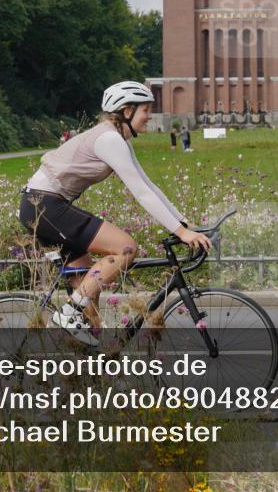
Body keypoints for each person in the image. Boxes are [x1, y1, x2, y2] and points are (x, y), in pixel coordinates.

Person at [19, 81, 211, 346]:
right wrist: (181, 232)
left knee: (91, 311)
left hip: (48, 205)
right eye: (146, 109)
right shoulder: (108, 139)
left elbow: (149, 185)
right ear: (127, 111)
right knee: (126, 248)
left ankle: (92, 374)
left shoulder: (117, 138)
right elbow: (140, 192)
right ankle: (67, 314)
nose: (149, 116)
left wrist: (183, 223)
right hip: (44, 206)